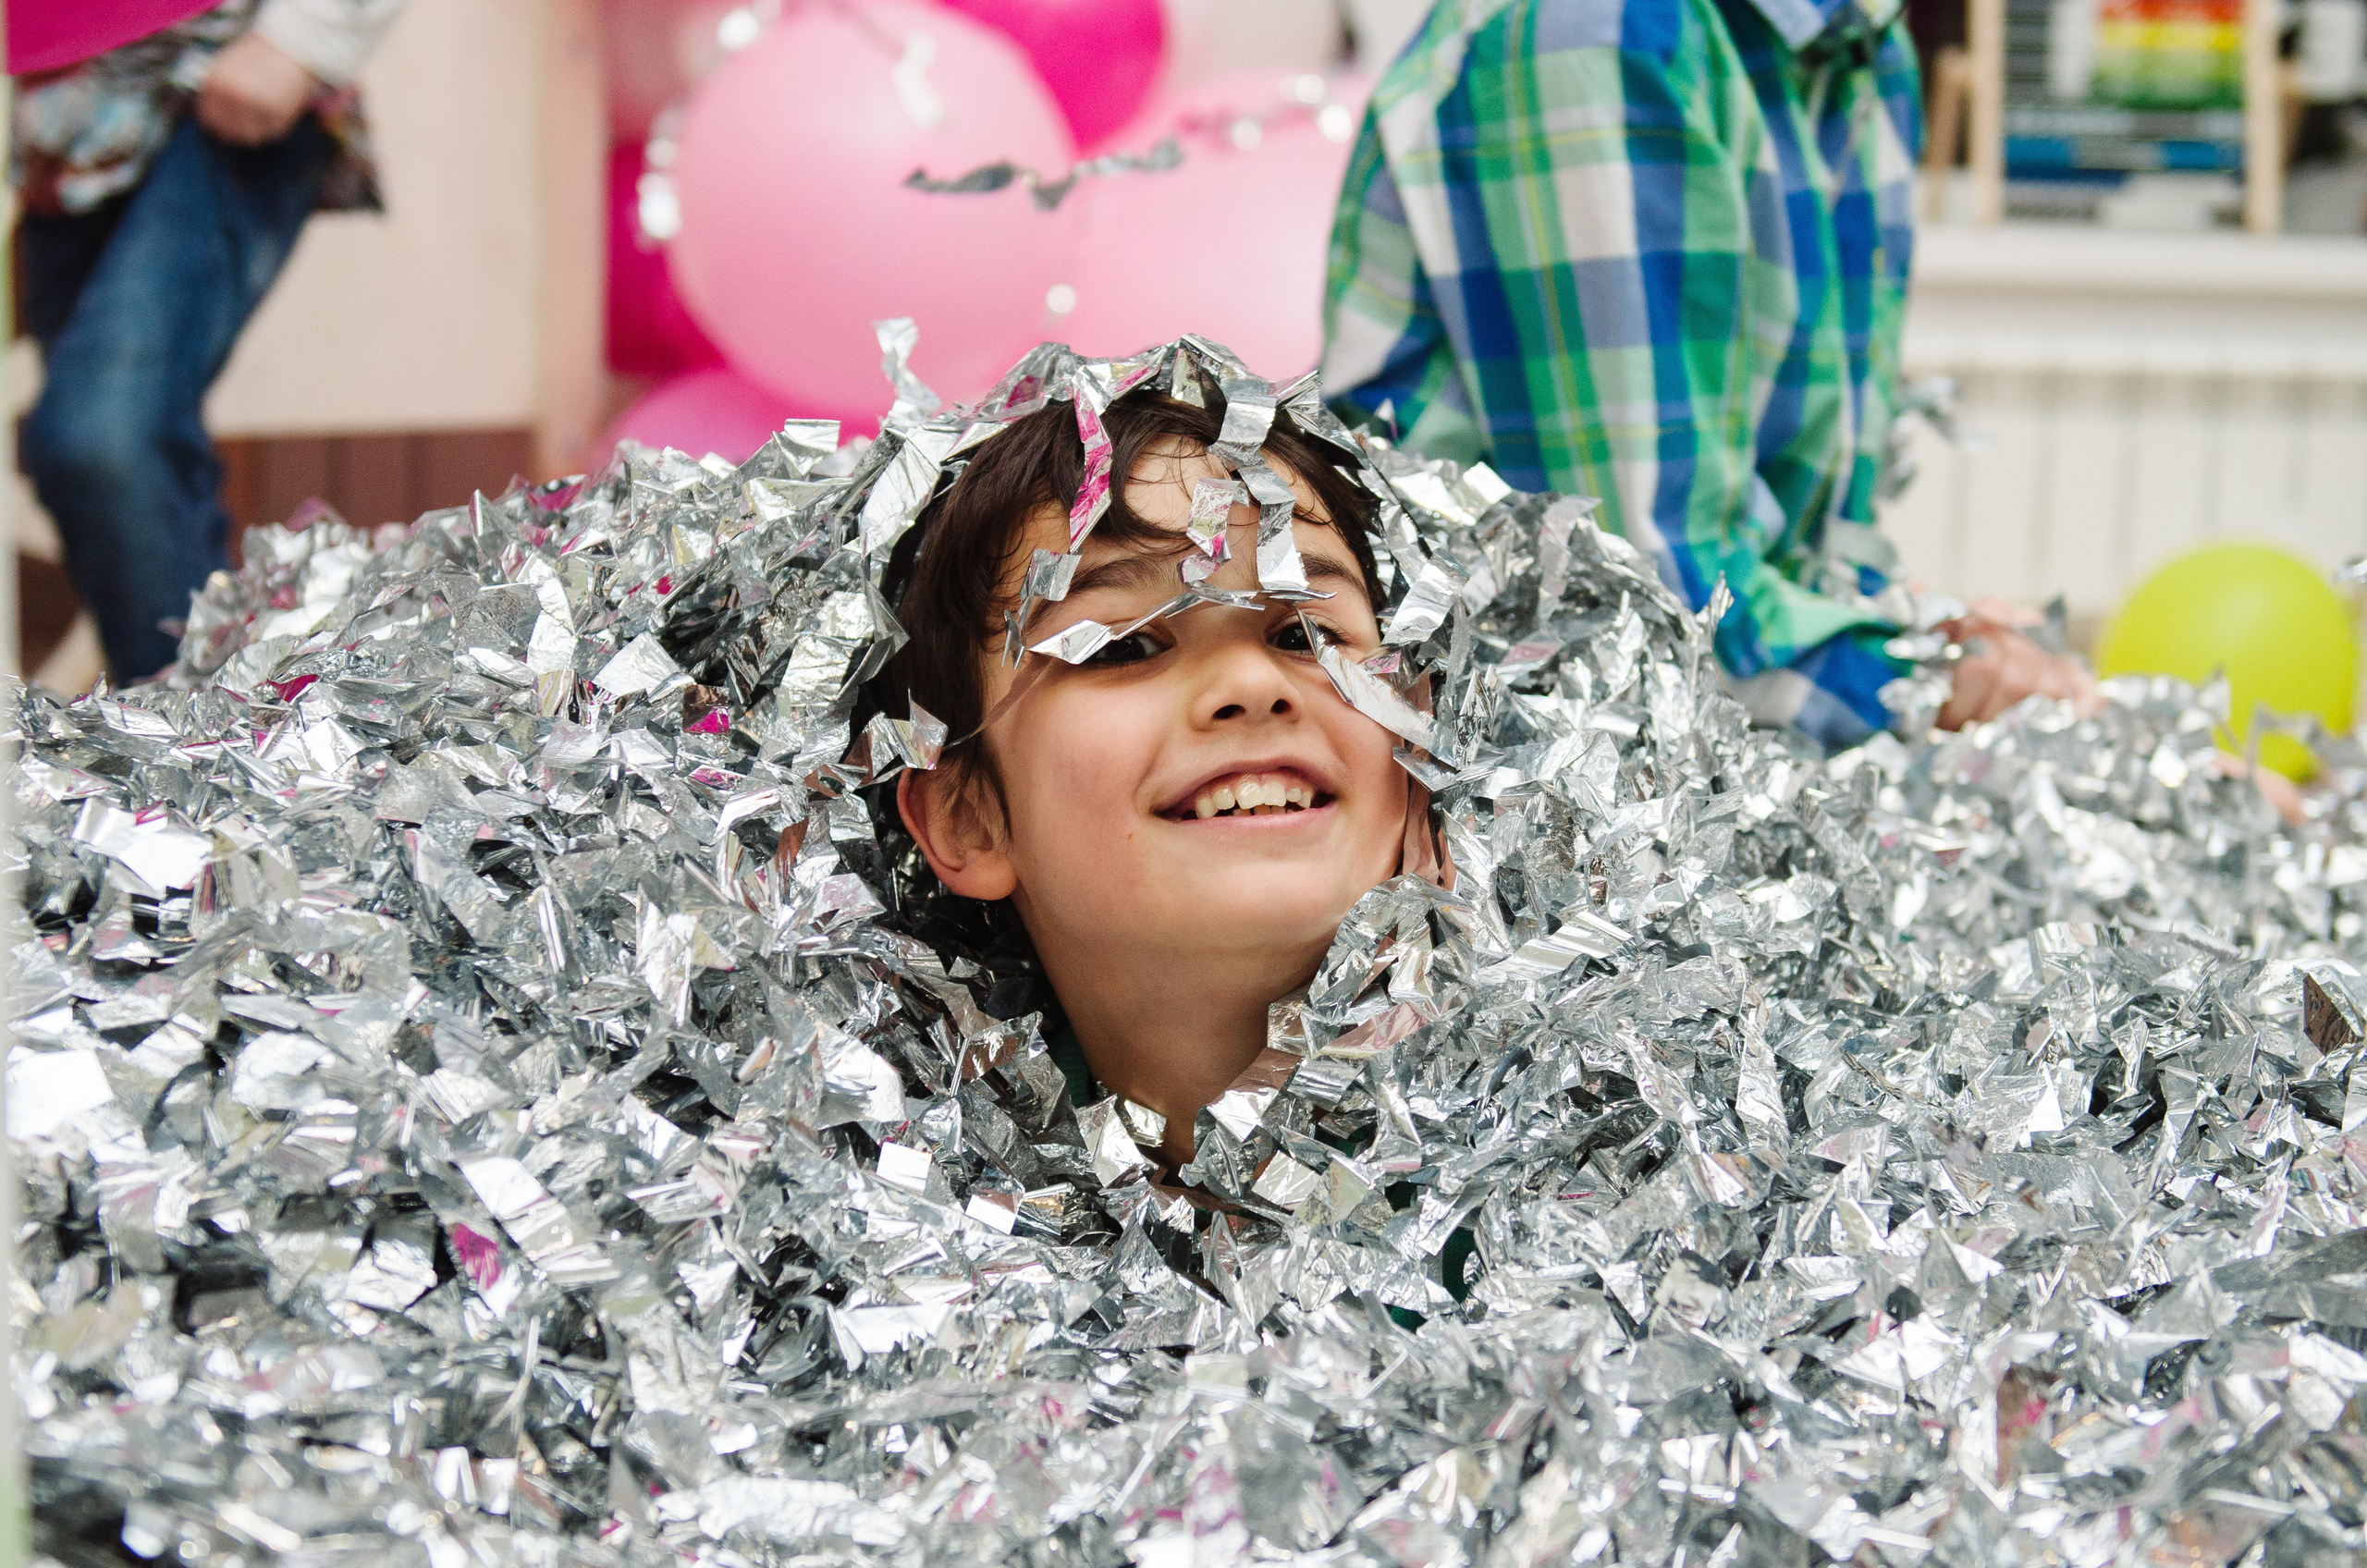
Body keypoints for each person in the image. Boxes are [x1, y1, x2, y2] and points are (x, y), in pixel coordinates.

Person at [1319, 0, 2096, 752]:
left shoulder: (1866, 49)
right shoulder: (1601, 32)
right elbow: (1654, 617)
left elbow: (1797, 559)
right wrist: (1934, 679)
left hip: (1694, 747)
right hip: (1493, 763)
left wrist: (1925, 634)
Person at [873, 386, 1407, 1167]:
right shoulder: (922, 1225)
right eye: (1121, 646)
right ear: (970, 819)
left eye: (1305, 632)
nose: (1253, 685)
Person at [13, 0, 408, 683]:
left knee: (101, 443)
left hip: (218, 78)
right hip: (59, 115)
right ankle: (230, 731)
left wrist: (305, 36)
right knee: (138, 471)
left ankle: (202, 750)